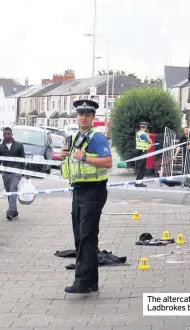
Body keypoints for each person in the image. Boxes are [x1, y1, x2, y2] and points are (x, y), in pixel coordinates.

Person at [60, 99, 112, 294]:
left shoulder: (96, 137)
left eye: (87, 114)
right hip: (79, 190)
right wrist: (65, 156)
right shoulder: (75, 138)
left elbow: (107, 162)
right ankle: (90, 281)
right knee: (81, 236)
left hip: (94, 190)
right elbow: (71, 165)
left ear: (93, 118)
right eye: (80, 114)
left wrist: (84, 157)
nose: (83, 117)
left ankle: (82, 281)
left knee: (87, 235)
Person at [0, 127, 26, 220]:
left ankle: (10, 211)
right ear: (3, 135)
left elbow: (23, 159)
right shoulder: (0, 148)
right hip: (6, 174)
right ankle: (14, 212)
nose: (7, 135)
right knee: (10, 193)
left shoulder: (19, 146)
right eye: (5, 134)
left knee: (13, 189)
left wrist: (25, 172)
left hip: (16, 172)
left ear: (12, 134)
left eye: (8, 134)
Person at [134, 121, 152, 188]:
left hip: (140, 152)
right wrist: (149, 138)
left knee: (141, 168)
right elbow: (149, 141)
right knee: (142, 169)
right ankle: (138, 183)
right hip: (143, 152)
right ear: (146, 127)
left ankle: (138, 182)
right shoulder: (143, 134)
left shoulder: (138, 133)